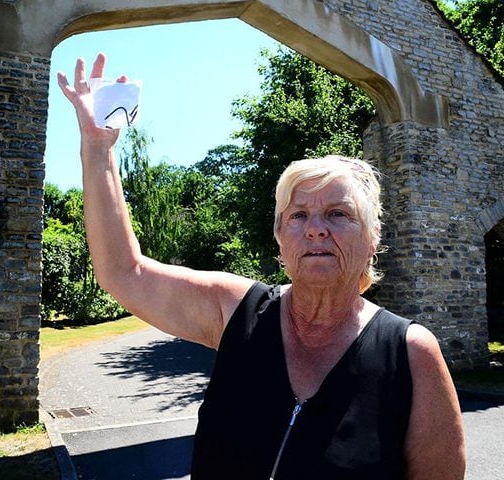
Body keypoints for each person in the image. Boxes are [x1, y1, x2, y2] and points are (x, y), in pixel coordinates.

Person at [57, 53, 466, 480]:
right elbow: (124, 272)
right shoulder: (236, 310)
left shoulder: (410, 353)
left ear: (373, 236)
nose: (315, 230)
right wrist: (98, 149)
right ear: (279, 236)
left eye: (338, 214)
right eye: (298, 215)